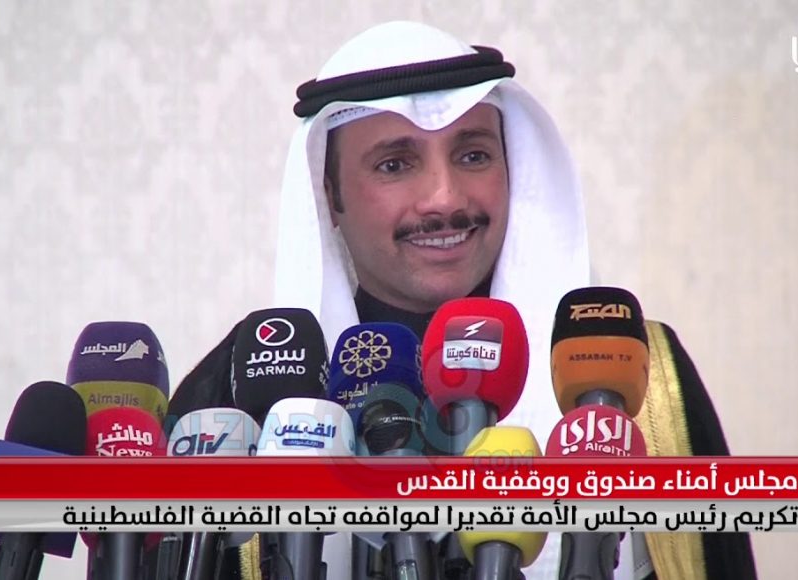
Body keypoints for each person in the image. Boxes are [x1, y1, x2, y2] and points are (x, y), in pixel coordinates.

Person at [168, 21, 756, 580]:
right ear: (331, 197)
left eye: (473, 155)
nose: (445, 198)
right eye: (395, 165)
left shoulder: (641, 378)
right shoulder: (235, 395)